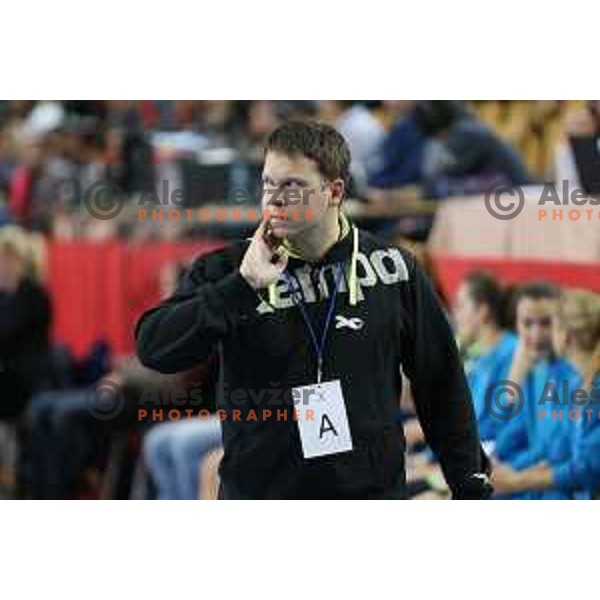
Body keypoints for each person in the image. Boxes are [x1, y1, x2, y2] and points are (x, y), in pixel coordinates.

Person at [136, 120, 491, 500]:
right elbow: (155, 348)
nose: (273, 200)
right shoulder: (228, 269)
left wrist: (469, 483)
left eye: (292, 187)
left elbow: (442, 384)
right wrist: (240, 288)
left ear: (334, 191)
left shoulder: (393, 268)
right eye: (268, 184)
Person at [493, 289, 600, 499]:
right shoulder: (577, 379)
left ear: (565, 336)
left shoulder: (584, 385)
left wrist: (518, 480)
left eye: (547, 324)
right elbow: (557, 446)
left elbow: (587, 468)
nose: (538, 334)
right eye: (527, 323)